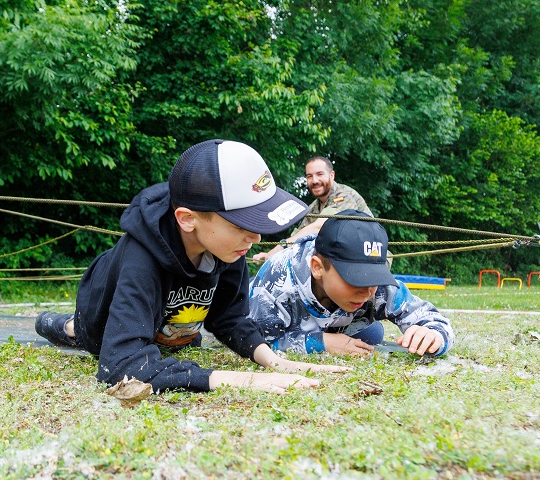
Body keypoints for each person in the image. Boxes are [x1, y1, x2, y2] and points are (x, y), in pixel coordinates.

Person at [34, 139, 348, 394]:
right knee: (88, 333)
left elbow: (231, 319)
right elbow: (119, 367)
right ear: (187, 219)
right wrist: (237, 380)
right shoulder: (140, 259)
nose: (256, 236)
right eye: (243, 223)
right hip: (101, 317)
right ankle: (63, 325)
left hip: (170, 328)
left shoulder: (229, 247)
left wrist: (275, 362)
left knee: (179, 341)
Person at [248, 209, 454, 357]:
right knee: (370, 335)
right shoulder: (276, 282)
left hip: (340, 325)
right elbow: (260, 341)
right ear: (318, 267)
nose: (367, 291)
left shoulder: (378, 289)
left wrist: (434, 334)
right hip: (257, 307)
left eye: (374, 276)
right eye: (355, 278)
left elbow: (432, 318)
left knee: (372, 335)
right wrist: (320, 343)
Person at [252, 156, 372, 263]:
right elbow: (300, 235)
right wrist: (271, 255)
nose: (314, 181)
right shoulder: (313, 207)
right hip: (344, 259)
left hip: (371, 259)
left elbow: (320, 226)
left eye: (319, 174)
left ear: (332, 175)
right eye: (309, 176)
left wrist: (282, 247)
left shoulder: (343, 196)